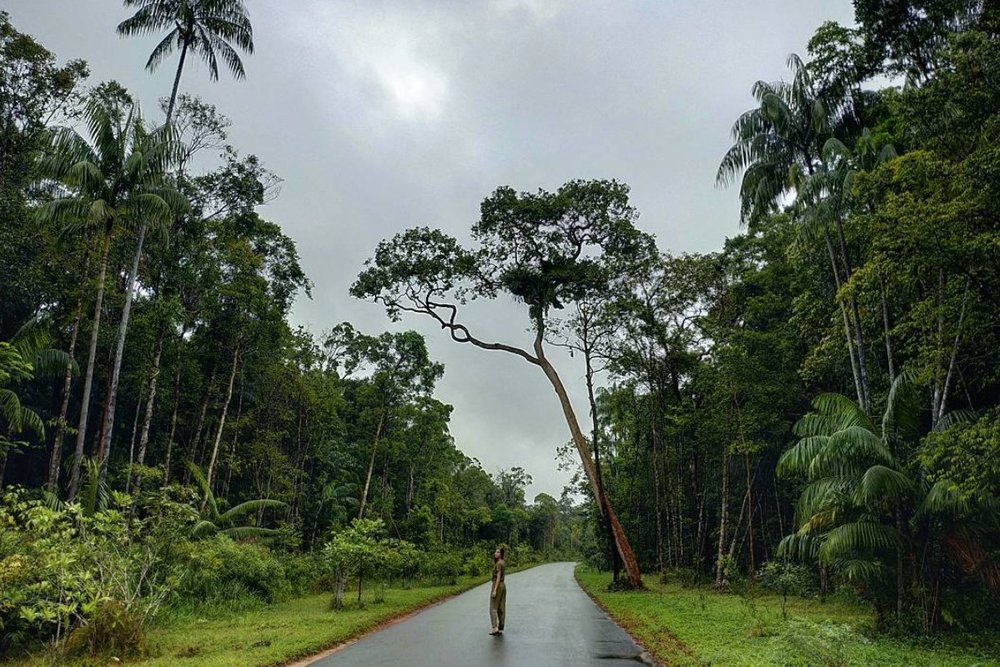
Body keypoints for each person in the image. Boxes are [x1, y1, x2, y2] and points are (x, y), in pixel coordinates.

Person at [489, 546, 506, 635]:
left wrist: (495, 590)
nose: (496, 553)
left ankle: (495, 627)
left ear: (501, 554)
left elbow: (498, 576)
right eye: (495, 552)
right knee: (501, 606)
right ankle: (500, 626)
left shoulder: (499, 563)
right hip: (503, 585)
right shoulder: (502, 562)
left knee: (493, 606)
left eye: (498, 552)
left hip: (498, 584)